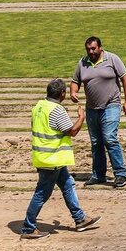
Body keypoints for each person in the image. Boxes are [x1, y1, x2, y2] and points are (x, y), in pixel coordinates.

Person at [20, 79, 102, 240]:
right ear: (62, 94)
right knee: (42, 193)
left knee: (68, 184)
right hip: (52, 159)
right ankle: (28, 227)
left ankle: (80, 219)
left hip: (44, 157)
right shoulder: (57, 110)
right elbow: (71, 131)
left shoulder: (38, 107)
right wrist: (81, 117)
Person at [70, 36, 126, 188]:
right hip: (92, 108)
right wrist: (73, 92)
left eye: (93, 49)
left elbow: (125, 79)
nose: (91, 52)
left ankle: (120, 174)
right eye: (88, 49)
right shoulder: (82, 63)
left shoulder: (112, 59)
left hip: (111, 105)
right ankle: (98, 175)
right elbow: (75, 81)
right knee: (96, 143)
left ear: (100, 48)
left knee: (109, 138)